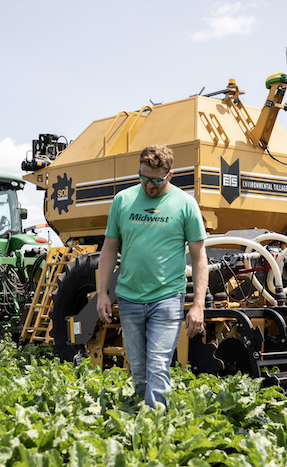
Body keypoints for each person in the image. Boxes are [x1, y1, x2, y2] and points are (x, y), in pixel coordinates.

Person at [97, 144, 209, 408]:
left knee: (158, 367)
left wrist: (198, 305)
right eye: (143, 178)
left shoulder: (185, 204)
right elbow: (109, 249)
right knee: (139, 372)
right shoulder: (122, 201)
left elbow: (199, 257)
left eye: (156, 181)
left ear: (170, 175)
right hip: (128, 299)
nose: (149, 186)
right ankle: (141, 428)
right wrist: (102, 292)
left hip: (166, 299)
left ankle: (155, 431)